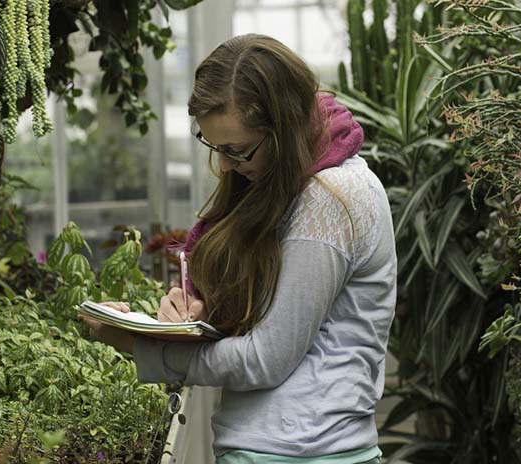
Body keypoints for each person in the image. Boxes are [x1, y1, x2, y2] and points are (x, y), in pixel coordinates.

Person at [82, 33, 397, 463]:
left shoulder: (330, 197)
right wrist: (196, 313)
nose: (226, 165)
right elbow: (268, 318)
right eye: (215, 147)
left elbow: (266, 359)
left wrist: (146, 349)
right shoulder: (288, 184)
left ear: (282, 129)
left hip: (304, 452)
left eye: (237, 150)